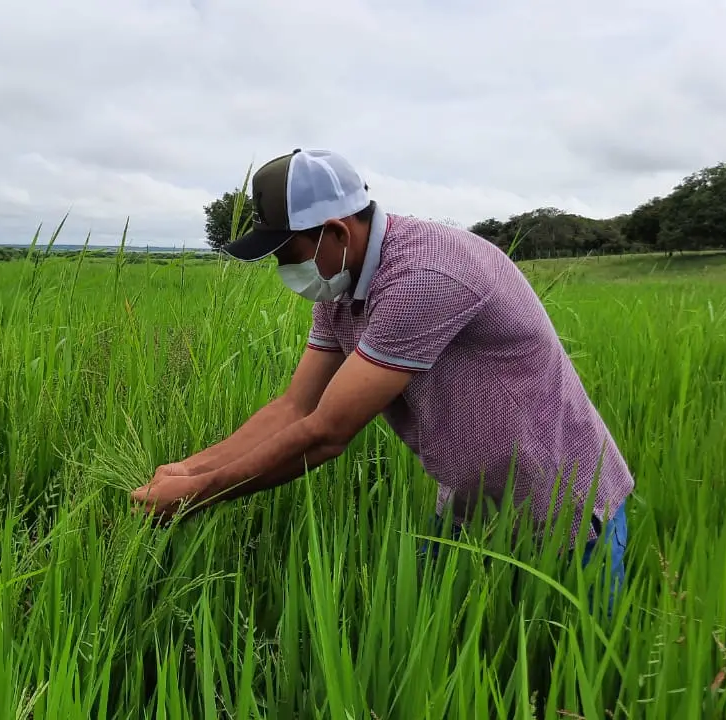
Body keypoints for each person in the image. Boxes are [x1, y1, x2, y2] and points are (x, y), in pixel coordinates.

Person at [130, 148, 634, 602]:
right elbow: (293, 407)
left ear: (335, 232)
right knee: (449, 649)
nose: (282, 268)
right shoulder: (341, 285)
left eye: (286, 253)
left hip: (559, 507)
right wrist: (188, 469)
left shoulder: (423, 277)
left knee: (556, 673)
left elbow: (325, 434)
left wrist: (198, 496)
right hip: (469, 505)